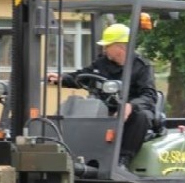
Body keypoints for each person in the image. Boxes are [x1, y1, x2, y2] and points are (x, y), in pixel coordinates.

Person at [46, 23, 158, 169]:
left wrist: (131, 106)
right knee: (77, 105)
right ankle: (71, 152)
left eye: (107, 46)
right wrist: (62, 78)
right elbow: (82, 76)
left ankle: (122, 160)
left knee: (141, 116)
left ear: (121, 47)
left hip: (130, 112)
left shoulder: (142, 67)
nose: (104, 49)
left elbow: (149, 95)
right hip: (104, 107)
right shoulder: (101, 63)